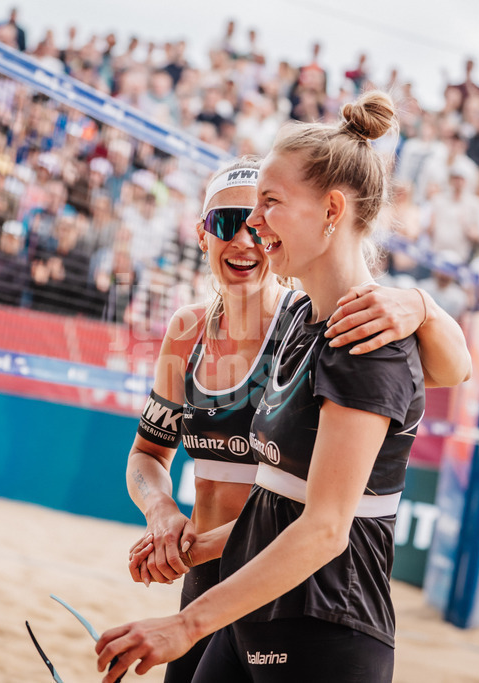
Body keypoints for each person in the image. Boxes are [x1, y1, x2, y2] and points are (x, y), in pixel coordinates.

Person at [100, 89, 442, 682]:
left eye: (266, 208)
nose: (251, 232)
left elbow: (325, 526)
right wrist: (176, 532)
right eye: (233, 219)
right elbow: (159, 459)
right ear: (202, 234)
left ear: (330, 211)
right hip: (230, 579)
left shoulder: (348, 328)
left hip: (313, 604)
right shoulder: (285, 324)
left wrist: (423, 305)